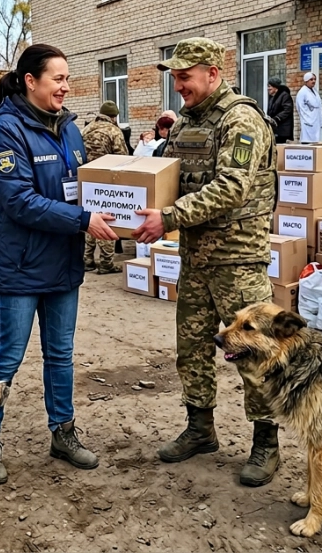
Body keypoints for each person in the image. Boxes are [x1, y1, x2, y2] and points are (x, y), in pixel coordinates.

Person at [132, 38, 281, 487]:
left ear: (212, 74)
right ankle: (201, 429)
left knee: (256, 357)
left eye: (185, 76)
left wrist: (170, 217)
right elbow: (171, 179)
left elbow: (231, 187)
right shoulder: (183, 125)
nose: (179, 86)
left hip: (238, 261)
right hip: (196, 259)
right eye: (175, 77)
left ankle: (266, 444)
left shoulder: (242, 120)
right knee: (192, 348)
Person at [0, 44, 119, 485]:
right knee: (8, 358)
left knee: (61, 355)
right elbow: (19, 202)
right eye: (57, 78)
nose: (65, 85)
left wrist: (121, 205)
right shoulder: (5, 132)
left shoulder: (70, 130)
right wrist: (82, 220)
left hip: (61, 264)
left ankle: (63, 432)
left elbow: (82, 187)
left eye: (67, 78)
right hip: (19, 268)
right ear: (30, 81)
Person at [81, 100, 128, 274]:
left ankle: (87, 259)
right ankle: (106, 263)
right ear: (114, 116)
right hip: (107, 181)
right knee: (108, 219)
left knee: (90, 218)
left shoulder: (86, 129)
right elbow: (123, 157)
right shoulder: (114, 131)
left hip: (87, 180)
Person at [265, 77, 294, 144]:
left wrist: (276, 118)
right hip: (275, 128)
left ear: (276, 87)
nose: (268, 89)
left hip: (283, 130)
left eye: (270, 86)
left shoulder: (284, 96)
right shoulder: (272, 96)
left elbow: (287, 110)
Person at [297, 71, 322, 142]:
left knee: (316, 140)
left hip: (316, 120)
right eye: (311, 79)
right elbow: (301, 107)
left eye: (314, 79)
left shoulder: (314, 91)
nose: (313, 81)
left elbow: (318, 105)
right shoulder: (302, 92)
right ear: (306, 80)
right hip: (308, 120)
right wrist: (308, 117)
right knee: (307, 140)